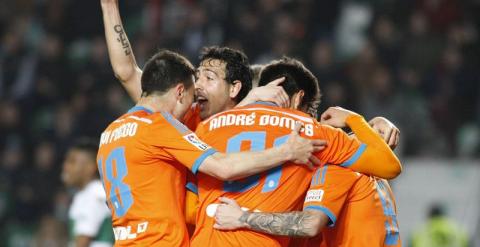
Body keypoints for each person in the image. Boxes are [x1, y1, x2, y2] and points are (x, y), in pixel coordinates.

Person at [96, 50, 324, 246]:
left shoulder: (110, 132)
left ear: (234, 88)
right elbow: (223, 167)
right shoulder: (163, 127)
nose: (197, 91)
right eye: (196, 82)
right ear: (179, 92)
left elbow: (125, 72)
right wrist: (286, 151)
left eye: (209, 78)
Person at [190, 57, 401, 246]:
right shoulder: (313, 134)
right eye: (309, 110)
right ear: (299, 99)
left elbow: (190, 208)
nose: (310, 116)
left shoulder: (206, 127)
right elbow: (389, 165)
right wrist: (354, 120)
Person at [61, 138, 114, 247]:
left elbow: (82, 242)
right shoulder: (86, 193)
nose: (65, 167)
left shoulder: (94, 195)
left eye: (72, 162)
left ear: (91, 167)